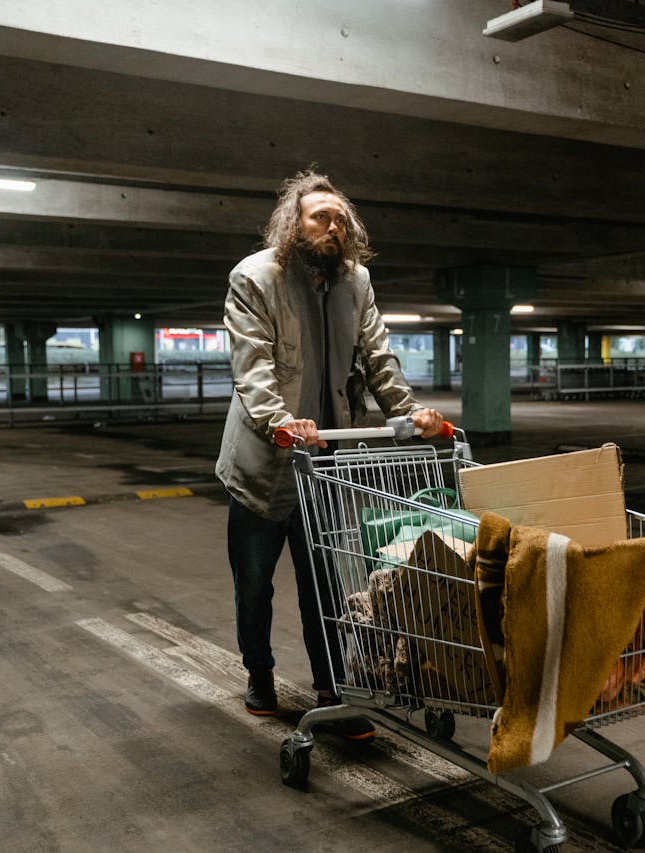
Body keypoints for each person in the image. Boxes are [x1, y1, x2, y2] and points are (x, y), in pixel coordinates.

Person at [216, 168, 444, 740]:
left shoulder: (355, 283)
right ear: (293, 222)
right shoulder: (255, 278)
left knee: (324, 585)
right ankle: (260, 674)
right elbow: (253, 368)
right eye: (322, 216)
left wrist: (409, 412)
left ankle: (331, 690)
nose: (334, 226)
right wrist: (280, 423)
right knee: (254, 584)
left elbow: (378, 358)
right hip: (262, 470)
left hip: (324, 469)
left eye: (342, 219)